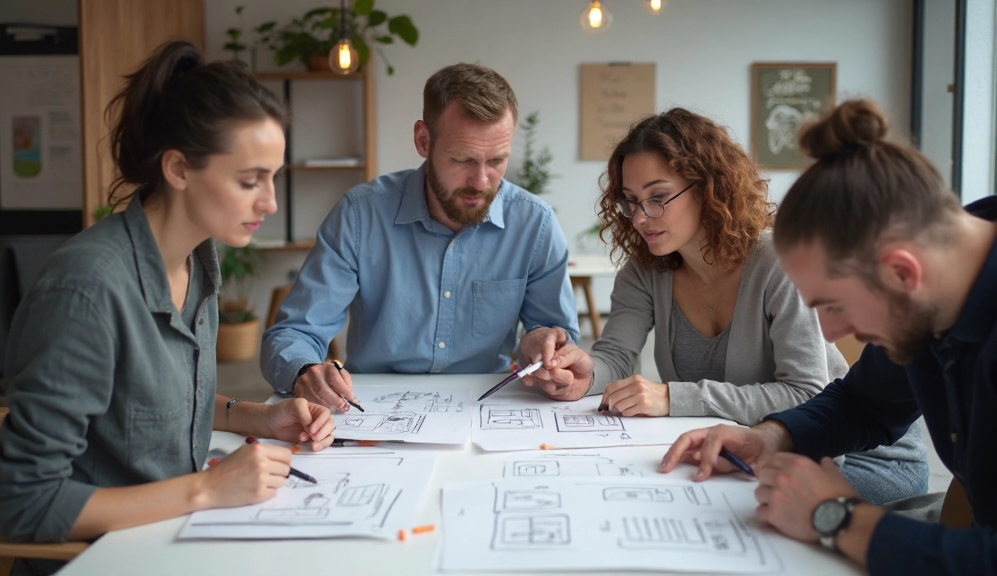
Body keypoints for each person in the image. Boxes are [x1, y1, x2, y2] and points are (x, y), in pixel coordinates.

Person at [0, 42, 335, 575]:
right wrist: (206, 489)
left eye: (274, 178)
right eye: (249, 180)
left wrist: (260, 417)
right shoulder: (86, 290)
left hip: (176, 546)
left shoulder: (196, 264)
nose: (268, 202)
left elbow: (150, 401)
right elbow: (26, 503)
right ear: (178, 168)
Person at [519, 108, 928, 505]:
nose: (641, 217)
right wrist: (583, 375)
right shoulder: (644, 269)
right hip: (756, 448)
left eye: (658, 197)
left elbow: (807, 393)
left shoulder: (775, 262)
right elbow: (615, 356)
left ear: (708, 187)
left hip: (862, 457)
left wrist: (673, 398)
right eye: (630, 201)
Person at [660, 99, 997, 575]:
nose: (831, 332)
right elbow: (864, 402)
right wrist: (771, 436)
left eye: (833, 305)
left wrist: (838, 518)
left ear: (902, 271)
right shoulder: (932, 290)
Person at [261, 62, 579, 409]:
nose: (482, 182)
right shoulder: (359, 216)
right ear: (423, 140)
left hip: (488, 406)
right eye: (462, 159)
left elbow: (559, 340)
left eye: (496, 161)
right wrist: (305, 371)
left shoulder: (535, 224)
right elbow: (294, 333)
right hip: (372, 409)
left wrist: (546, 347)